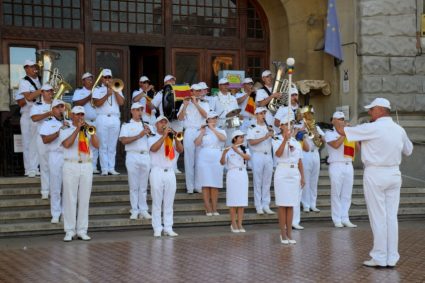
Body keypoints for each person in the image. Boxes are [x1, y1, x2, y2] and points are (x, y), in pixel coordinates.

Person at [334, 98, 413, 268]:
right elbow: (408, 150)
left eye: (371, 109)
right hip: (394, 173)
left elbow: (341, 132)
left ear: (380, 110)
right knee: (391, 217)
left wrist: (336, 121)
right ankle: (391, 257)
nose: (369, 112)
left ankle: (379, 256)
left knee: (378, 216)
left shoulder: (372, 127)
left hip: (376, 173)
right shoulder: (399, 129)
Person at [60, 106, 99, 242]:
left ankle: (82, 230)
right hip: (71, 165)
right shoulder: (65, 129)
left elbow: (97, 145)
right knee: (70, 199)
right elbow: (66, 144)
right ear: (72, 115)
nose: (80, 117)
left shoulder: (88, 129)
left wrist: (92, 133)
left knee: (84, 199)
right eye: (77, 114)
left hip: (86, 165)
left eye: (82, 114)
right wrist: (77, 129)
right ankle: (69, 231)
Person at [273, 111, 305, 245]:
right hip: (282, 171)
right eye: (286, 124)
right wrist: (285, 140)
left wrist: (302, 177)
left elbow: (300, 161)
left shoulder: (296, 142)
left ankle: (290, 233)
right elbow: (278, 154)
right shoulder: (276, 139)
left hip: (294, 173)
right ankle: (282, 233)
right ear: (281, 126)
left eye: (291, 124)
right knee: (282, 204)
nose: (289, 126)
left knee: (291, 204)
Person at [148, 115, 184, 237]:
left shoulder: (171, 138)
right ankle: (157, 227)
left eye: (165, 122)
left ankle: (168, 227)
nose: (163, 124)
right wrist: (164, 136)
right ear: (156, 125)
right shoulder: (152, 137)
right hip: (156, 171)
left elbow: (180, 150)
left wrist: (176, 138)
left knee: (169, 202)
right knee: (157, 202)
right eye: (161, 122)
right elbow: (153, 149)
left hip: (170, 171)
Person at [119, 102, 153, 220]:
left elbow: (153, 140)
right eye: (137, 110)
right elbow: (123, 141)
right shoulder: (126, 125)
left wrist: (148, 133)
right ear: (132, 111)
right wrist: (139, 135)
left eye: (141, 110)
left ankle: (143, 209)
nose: (139, 112)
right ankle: (134, 209)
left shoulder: (147, 125)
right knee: (133, 185)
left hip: (145, 156)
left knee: (143, 185)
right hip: (132, 156)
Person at [325, 111, 357, 228]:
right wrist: (345, 133)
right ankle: (336, 219)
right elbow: (335, 145)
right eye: (339, 119)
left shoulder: (348, 134)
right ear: (333, 121)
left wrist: (354, 136)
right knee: (336, 194)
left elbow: (356, 150)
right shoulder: (329, 133)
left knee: (347, 194)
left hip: (348, 164)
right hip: (336, 165)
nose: (342, 121)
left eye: (342, 119)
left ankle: (345, 217)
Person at [177, 84, 209, 194]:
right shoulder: (185, 102)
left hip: (200, 131)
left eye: (200, 91)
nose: (198, 93)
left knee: (199, 160)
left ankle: (198, 186)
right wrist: (185, 105)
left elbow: (206, 116)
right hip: (189, 131)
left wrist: (196, 103)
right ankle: (190, 187)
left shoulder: (204, 103)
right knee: (189, 159)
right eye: (196, 91)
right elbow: (180, 118)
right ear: (192, 92)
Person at [92, 69, 125, 176]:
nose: (107, 79)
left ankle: (111, 167)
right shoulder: (97, 89)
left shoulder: (117, 88)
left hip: (114, 118)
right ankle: (104, 168)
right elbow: (96, 103)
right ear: (102, 78)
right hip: (102, 118)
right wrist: (107, 94)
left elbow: (121, 102)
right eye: (105, 77)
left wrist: (114, 91)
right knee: (103, 145)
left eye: (109, 77)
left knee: (112, 145)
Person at [40, 99, 68, 223]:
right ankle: (55, 213)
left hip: (67, 156)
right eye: (57, 107)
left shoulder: (70, 122)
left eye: (62, 106)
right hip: (55, 155)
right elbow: (45, 140)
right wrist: (58, 132)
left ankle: (65, 213)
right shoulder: (47, 123)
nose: (60, 109)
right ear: (53, 110)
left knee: (67, 187)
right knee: (56, 186)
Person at [195, 111, 227, 216]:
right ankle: (208, 208)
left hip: (216, 158)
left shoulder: (221, 130)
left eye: (215, 118)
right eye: (211, 118)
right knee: (205, 184)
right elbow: (196, 143)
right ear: (207, 120)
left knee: (215, 184)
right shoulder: (202, 130)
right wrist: (202, 132)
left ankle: (214, 208)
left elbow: (223, 139)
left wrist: (213, 129)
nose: (213, 120)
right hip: (204, 158)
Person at [15, 59, 42, 177]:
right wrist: (42, 90)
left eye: (35, 67)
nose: (34, 69)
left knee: (37, 143)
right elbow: (29, 97)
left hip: (38, 114)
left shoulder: (41, 80)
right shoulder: (23, 82)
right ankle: (29, 169)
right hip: (27, 115)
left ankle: (35, 167)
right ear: (26, 68)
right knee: (27, 143)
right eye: (31, 67)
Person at [221, 130, 250, 233]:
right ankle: (233, 223)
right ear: (234, 138)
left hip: (243, 174)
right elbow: (222, 162)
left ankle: (240, 224)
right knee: (233, 201)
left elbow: (248, 158)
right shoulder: (228, 150)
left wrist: (238, 151)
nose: (242, 139)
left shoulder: (244, 149)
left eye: (243, 137)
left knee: (242, 201)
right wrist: (224, 153)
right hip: (232, 174)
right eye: (240, 137)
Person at [246, 107, 275, 215]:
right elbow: (251, 142)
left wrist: (272, 134)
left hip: (268, 156)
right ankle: (258, 205)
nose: (263, 115)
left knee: (267, 181)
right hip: (257, 155)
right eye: (261, 113)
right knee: (258, 182)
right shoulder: (252, 127)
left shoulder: (269, 127)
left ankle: (266, 204)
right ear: (256, 115)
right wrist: (265, 136)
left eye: (264, 113)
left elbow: (275, 141)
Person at [151, 74, 182, 174]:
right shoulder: (161, 93)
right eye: (170, 81)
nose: (172, 82)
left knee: (177, 142)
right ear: (165, 83)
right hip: (166, 121)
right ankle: (170, 164)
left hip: (177, 122)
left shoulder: (179, 91)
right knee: (168, 143)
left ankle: (174, 165)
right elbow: (152, 105)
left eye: (173, 80)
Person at [72, 72, 100, 173]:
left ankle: (94, 166)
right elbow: (76, 103)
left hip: (96, 121)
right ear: (83, 81)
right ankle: (85, 163)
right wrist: (89, 97)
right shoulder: (79, 91)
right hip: (84, 121)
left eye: (91, 79)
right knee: (85, 142)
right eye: (88, 79)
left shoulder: (97, 90)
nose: (90, 81)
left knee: (95, 143)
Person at [30, 84, 54, 199]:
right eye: (47, 91)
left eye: (51, 91)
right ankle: (45, 190)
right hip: (42, 138)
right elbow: (34, 118)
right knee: (44, 165)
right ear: (42, 93)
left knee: (55, 164)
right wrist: (47, 113)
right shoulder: (37, 105)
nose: (50, 93)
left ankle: (55, 189)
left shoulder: (57, 104)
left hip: (55, 138)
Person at [300, 107, 325, 213]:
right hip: (305, 154)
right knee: (306, 180)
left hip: (315, 154)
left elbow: (324, 140)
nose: (311, 115)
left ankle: (313, 204)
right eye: (309, 113)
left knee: (314, 181)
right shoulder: (300, 126)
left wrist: (318, 134)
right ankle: (305, 204)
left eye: (312, 113)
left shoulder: (316, 126)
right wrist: (302, 130)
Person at [211, 78, 239, 146]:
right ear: (219, 86)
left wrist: (237, 123)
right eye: (224, 85)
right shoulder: (215, 98)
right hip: (220, 121)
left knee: (231, 141)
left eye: (227, 84)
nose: (226, 86)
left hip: (231, 121)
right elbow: (211, 112)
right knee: (220, 142)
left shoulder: (233, 98)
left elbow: (236, 111)